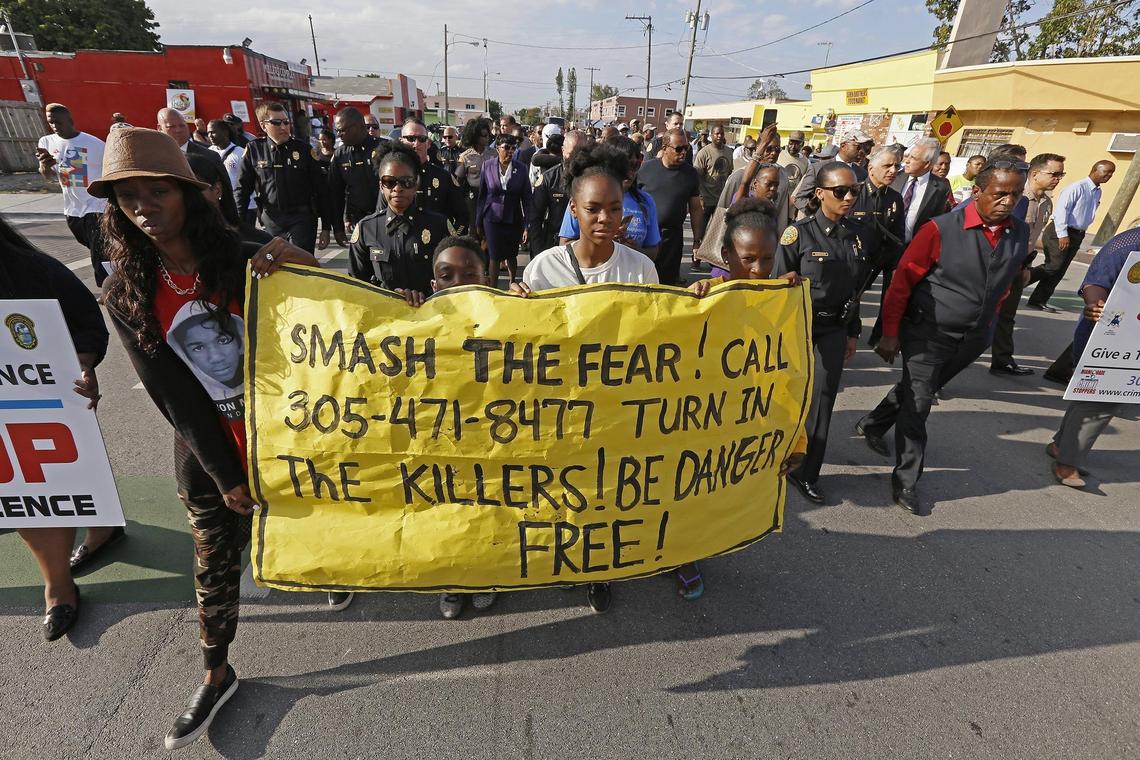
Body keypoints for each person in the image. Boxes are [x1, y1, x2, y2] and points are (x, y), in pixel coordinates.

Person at [90, 127, 320, 749]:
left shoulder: (247, 257)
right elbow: (176, 398)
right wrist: (226, 475)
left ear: (189, 195)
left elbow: (326, 332)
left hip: (294, 442)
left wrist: (305, 265)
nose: (144, 208)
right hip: (211, 460)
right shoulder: (125, 292)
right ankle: (216, 672)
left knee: (320, 531)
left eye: (157, 192)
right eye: (129, 198)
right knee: (214, 568)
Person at [512, 141, 658, 612]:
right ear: (573, 208)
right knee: (560, 488)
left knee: (603, 493)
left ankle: (599, 568)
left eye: (614, 208)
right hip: (556, 411)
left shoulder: (642, 270)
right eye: (592, 208)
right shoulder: (542, 269)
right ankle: (561, 559)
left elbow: (658, 341)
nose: (604, 218)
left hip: (614, 410)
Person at [855, 159, 1030, 516]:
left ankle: (872, 423)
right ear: (977, 192)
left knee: (919, 387)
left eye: (1015, 194)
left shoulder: (1019, 232)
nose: (1008, 202)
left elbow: (1010, 279)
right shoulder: (939, 229)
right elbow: (901, 282)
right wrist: (890, 332)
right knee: (919, 403)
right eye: (1000, 194)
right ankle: (906, 478)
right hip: (927, 332)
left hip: (974, 337)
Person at [684, 197, 809, 598]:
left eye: (767, 259)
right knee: (685, 491)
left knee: (714, 498)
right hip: (695, 424)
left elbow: (792, 380)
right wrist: (693, 302)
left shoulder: (781, 304)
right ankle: (677, 554)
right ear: (725, 255)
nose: (758, 269)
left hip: (745, 427)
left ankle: (692, 553)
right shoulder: (700, 298)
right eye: (748, 258)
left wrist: (797, 439)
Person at [2, 217, 107, 640]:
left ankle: (58, 588)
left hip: (39, 402)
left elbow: (87, 322)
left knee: (44, 481)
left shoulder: (31, 269)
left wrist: (81, 363)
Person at [772, 163, 868, 505]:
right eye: (840, 191)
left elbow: (855, 289)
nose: (849, 197)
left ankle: (806, 472)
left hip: (833, 328)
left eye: (854, 190)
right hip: (798, 326)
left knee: (823, 400)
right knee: (784, 395)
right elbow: (775, 285)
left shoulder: (857, 234)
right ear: (820, 193)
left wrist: (853, 332)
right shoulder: (799, 235)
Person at [1048, 225, 1140, 488]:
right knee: (1101, 396)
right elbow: (1095, 281)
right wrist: (1094, 304)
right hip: (1105, 334)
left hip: (1136, 340)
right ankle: (1067, 464)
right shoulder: (1129, 243)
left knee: (1087, 395)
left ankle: (1060, 446)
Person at [991, 152, 1066, 376]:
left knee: (1006, 316)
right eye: (1053, 173)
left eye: (1061, 174)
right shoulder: (1016, 198)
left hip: (1018, 266)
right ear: (1034, 173)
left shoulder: (1046, 203)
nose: (1058, 178)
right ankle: (936, 368)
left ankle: (1002, 361)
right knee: (974, 316)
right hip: (998, 265)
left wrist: (1025, 266)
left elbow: (1032, 239)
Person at [349, 142, 450, 296]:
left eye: (406, 182)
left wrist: (428, 294)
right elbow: (356, 285)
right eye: (389, 182)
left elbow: (454, 279)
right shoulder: (366, 229)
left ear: (416, 184)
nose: (397, 188)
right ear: (381, 186)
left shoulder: (439, 225)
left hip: (431, 312)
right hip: (385, 313)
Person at [237, 101, 333, 253]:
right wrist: (238, 225)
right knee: (276, 267)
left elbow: (321, 189)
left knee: (300, 267)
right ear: (263, 125)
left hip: (301, 218)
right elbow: (242, 189)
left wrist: (327, 227)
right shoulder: (254, 150)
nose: (283, 127)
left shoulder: (304, 150)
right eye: (276, 123)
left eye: (286, 122)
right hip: (272, 219)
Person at [35, 103, 110, 286]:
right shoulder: (46, 142)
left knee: (97, 249)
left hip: (96, 205)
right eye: (51, 122)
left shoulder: (94, 144)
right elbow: (49, 177)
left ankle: (106, 287)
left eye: (58, 122)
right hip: (72, 208)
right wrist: (45, 166)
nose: (55, 126)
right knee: (88, 243)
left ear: (70, 120)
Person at [1026, 160, 1115, 312]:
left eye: (1111, 173)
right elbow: (1062, 210)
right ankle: (1017, 282)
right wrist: (1062, 235)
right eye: (1106, 171)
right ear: (1095, 170)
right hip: (1061, 231)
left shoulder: (1097, 191)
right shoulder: (1077, 188)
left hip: (1078, 234)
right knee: (1053, 266)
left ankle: (1038, 300)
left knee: (1060, 270)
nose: (1109, 175)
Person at [558, 135, 660, 263]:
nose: (629, 172)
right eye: (592, 209)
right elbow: (564, 245)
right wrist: (602, 240)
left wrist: (633, 251)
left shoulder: (646, 201)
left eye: (635, 165)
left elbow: (653, 251)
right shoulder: (584, 197)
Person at [851, 145, 905, 347]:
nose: (893, 170)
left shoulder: (895, 198)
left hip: (877, 262)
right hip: (852, 262)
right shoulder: (853, 193)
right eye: (887, 165)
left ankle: (877, 336)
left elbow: (898, 235)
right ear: (871, 167)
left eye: (896, 166)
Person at [637, 128, 703, 285]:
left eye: (686, 148)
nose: (683, 153)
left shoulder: (691, 174)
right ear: (665, 148)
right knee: (643, 282)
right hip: (645, 238)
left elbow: (695, 209)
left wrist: (696, 241)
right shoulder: (645, 169)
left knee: (666, 285)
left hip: (672, 239)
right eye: (678, 148)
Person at [476, 131, 532, 285]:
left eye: (513, 148)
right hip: (491, 218)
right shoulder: (487, 166)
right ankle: (494, 288)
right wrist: (478, 221)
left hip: (513, 218)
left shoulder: (521, 169)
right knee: (494, 255)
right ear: (497, 149)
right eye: (506, 147)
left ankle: (512, 283)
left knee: (511, 254)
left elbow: (527, 198)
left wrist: (527, 225)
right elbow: (482, 196)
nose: (510, 151)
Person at [401, 117, 468, 234]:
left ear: (428, 143)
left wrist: (451, 241)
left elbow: (462, 216)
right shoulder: (391, 178)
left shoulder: (443, 177)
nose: (416, 143)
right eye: (411, 138)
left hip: (437, 246)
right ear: (401, 141)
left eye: (422, 139)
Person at [328, 106, 383, 245]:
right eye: (337, 131)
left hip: (385, 219)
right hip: (359, 222)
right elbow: (335, 194)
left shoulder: (383, 149)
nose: (339, 134)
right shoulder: (340, 155)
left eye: (341, 130)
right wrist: (338, 228)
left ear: (357, 127)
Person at [529, 129, 585, 255]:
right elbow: (535, 219)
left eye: (582, 153)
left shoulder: (595, 179)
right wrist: (538, 253)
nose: (577, 158)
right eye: (573, 153)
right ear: (563, 150)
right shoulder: (548, 179)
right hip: (555, 246)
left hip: (586, 246)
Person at [792, 131, 871, 215]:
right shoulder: (817, 168)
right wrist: (820, 216)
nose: (861, 151)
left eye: (864, 148)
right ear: (843, 146)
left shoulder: (862, 174)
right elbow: (800, 198)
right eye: (858, 147)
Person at [892, 137, 953, 245]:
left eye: (913, 158)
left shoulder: (941, 188)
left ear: (927, 164)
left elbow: (934, 222)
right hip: (884, 244)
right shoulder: (894, 177)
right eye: (908, 156)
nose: (907, 161)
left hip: (912, 247)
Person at [694, 124, 734, 226]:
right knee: (701, 232)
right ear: (711, 135)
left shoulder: (729, 152)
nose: (719, 136)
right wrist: (700, 198)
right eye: (717, 134)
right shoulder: (704, 153)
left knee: (717, 233)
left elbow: (730, 173)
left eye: (721, 133)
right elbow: (697, 177)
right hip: (706, 200)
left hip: (721, 200)